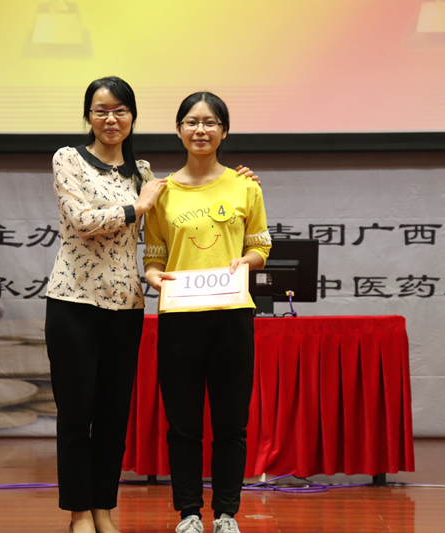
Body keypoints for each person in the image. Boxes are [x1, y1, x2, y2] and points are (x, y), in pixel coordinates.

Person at [45, 77, 259, 533]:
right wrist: (137, 208)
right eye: (101, 110)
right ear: (88, 116)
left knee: (112, 417)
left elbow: (193, 216)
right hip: (75, 299)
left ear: (132, 117)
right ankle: (79, 513)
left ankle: (103, 510)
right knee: (77, 413)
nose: (111, 119)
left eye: (120, 111)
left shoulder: (142, 172)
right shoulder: (69, 159)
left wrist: (242, 181)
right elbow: (81, 220)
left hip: (125, 305)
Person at [143, 92, 271, 533]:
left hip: (232, 314)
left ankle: (227, 514)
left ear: (224, 131)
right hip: (179, 316)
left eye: (211, 122)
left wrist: (245, 262)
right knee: (183, 425)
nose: (201, 130)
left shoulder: (245, 186)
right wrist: (154, 277)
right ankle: (190, 513)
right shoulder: (161, 192)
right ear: (179, 130)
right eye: (192, 122)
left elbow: (260, 247)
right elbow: (153, 257)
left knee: (231, 423)